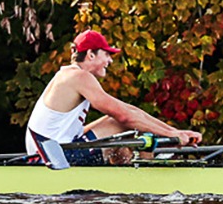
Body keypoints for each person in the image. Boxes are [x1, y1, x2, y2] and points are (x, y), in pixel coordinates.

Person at [23, 30, 201, 164]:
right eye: (106, 54)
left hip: (51, 152)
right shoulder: (79, 77)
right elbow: (124, 117)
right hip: (51, 159)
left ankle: (132, 174)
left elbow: (129, 110)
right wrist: (171, 134)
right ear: (91, 54)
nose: (110, 61)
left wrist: (175, 132)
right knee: (120, 122)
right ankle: (148, 176)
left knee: (118, 124)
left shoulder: (69, 75)